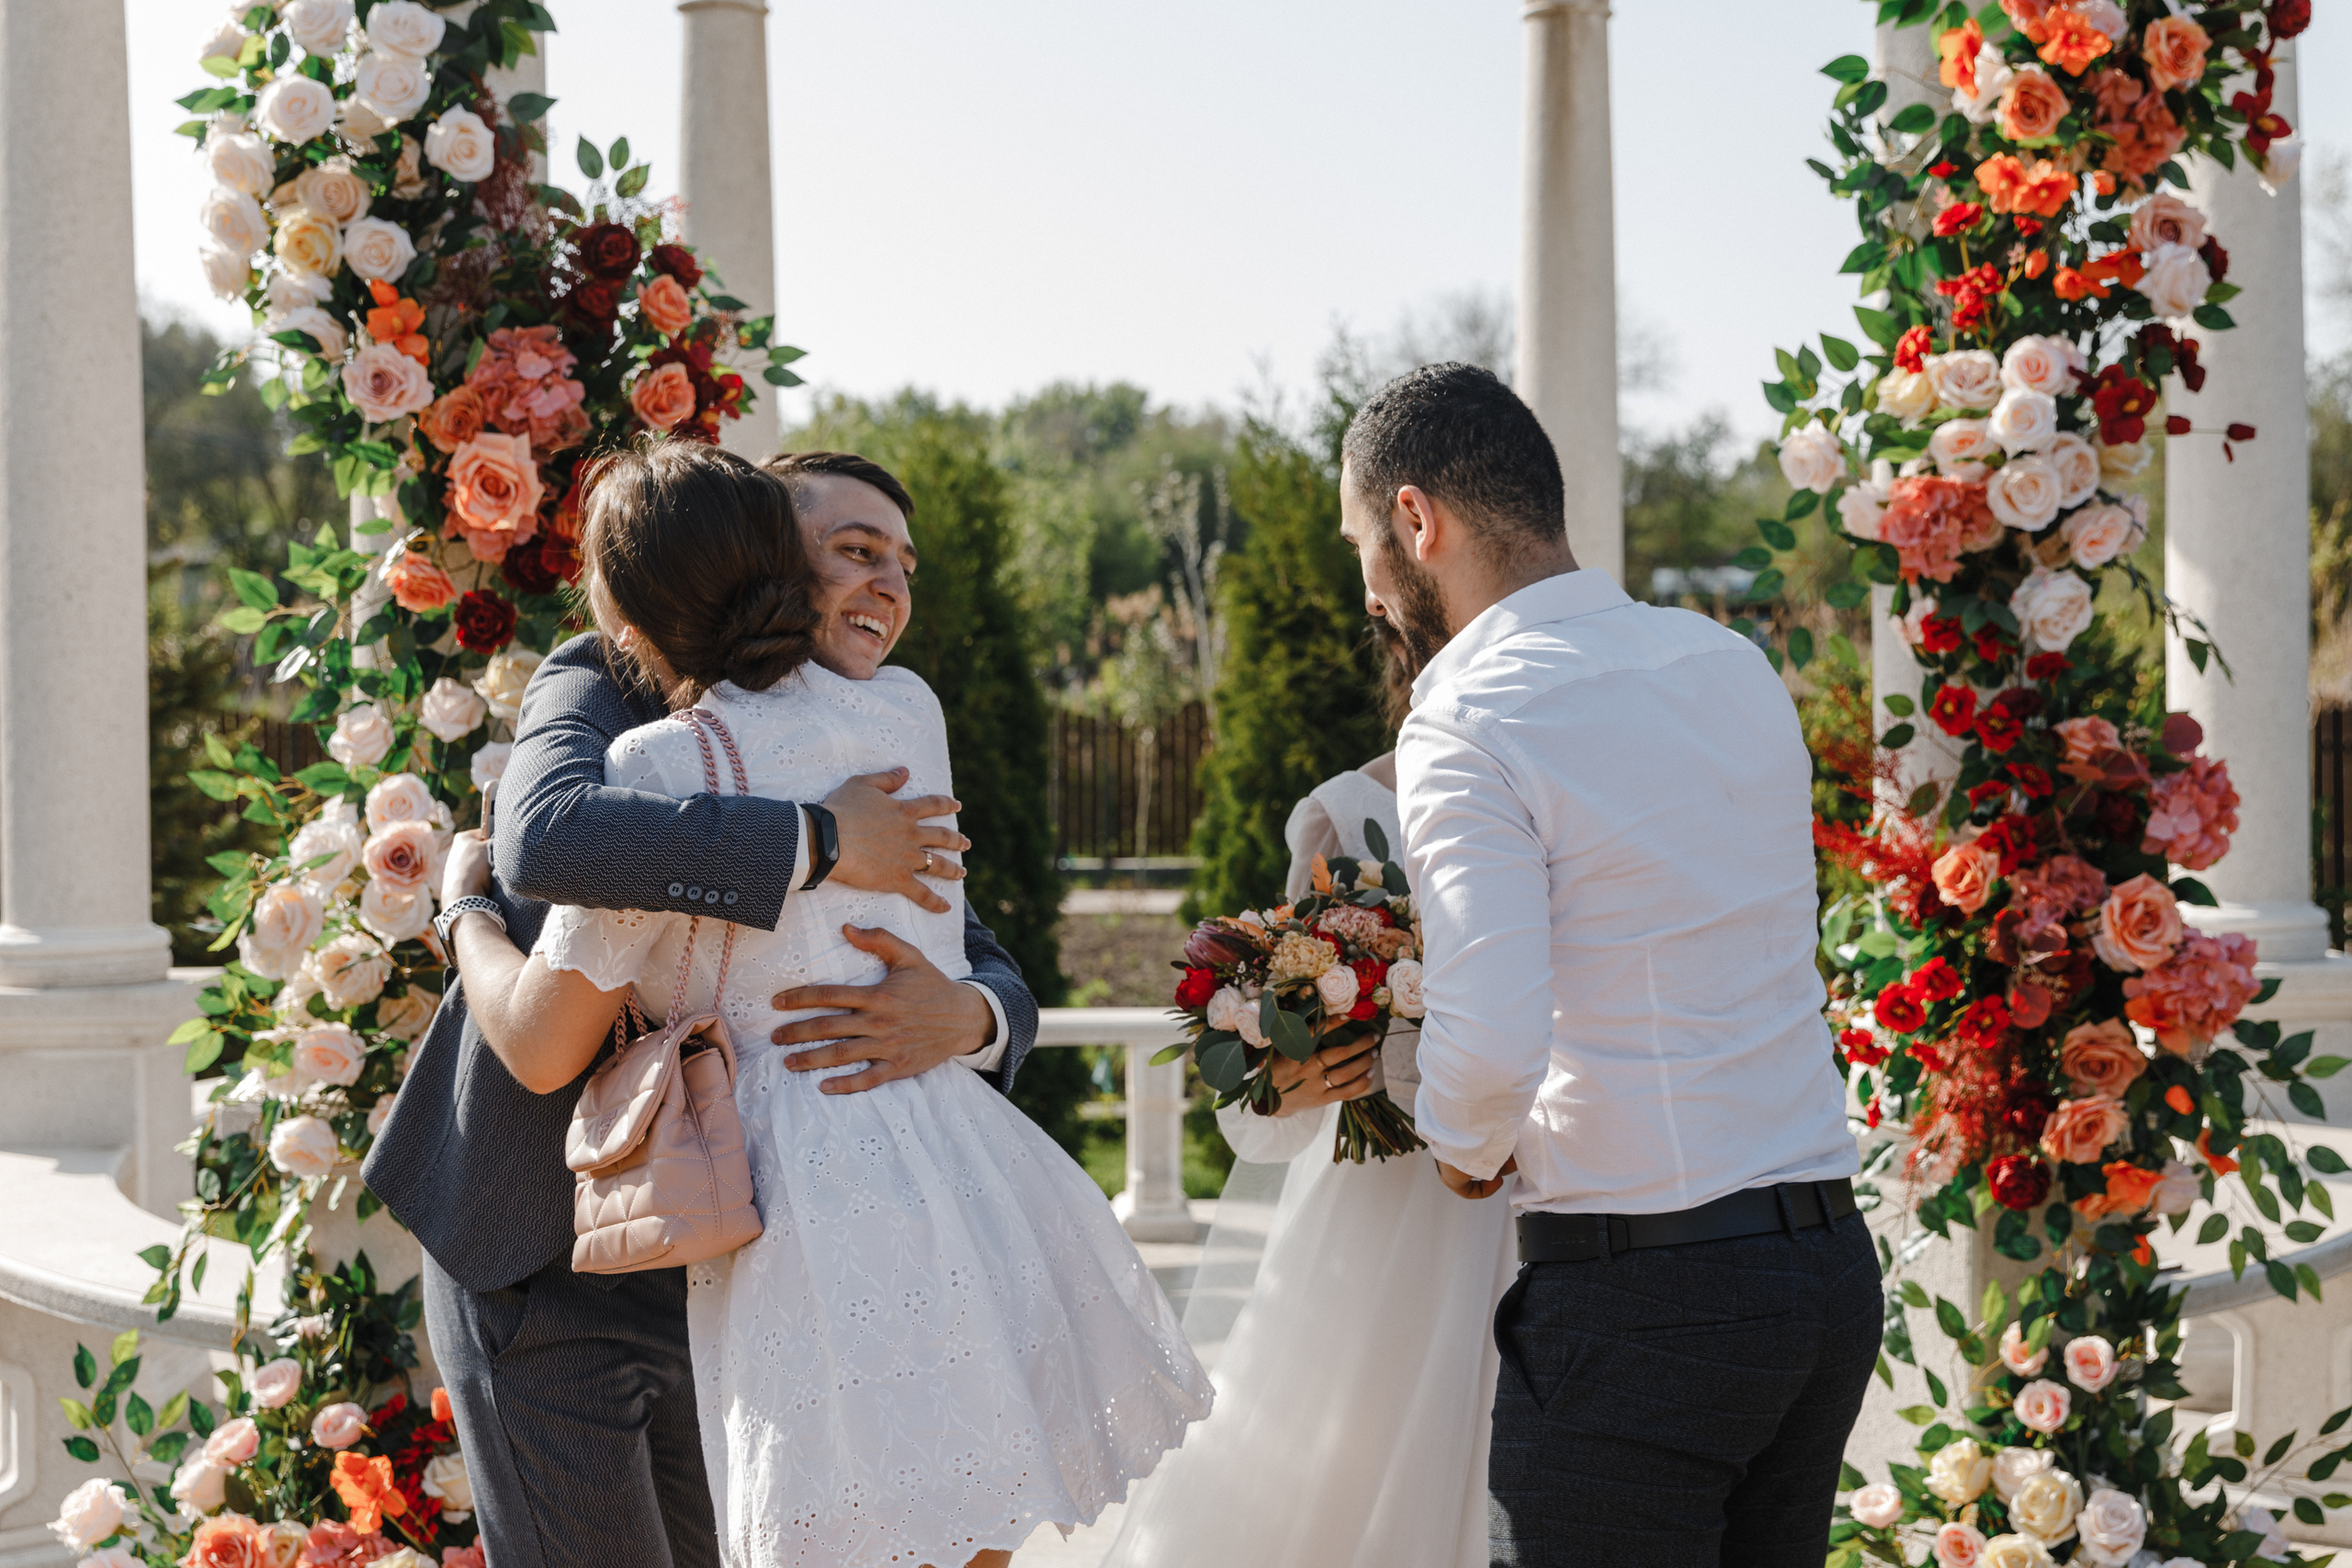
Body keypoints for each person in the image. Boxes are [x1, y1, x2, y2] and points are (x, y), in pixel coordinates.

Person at [439, 441, 1214, 1568]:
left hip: (798, 1217)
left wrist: (458, 912)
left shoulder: (670, 759)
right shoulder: (896, 713)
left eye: (902, 562)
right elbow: (551, 832)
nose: (890, 586)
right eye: (854, 552)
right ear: (769, 559)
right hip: (951, 1191)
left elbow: (540, 1041)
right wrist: (820, 838)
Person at [1340, 363, 1879, 1568]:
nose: (1371, 589)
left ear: (1416, 521)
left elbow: (1486, 1045)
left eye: (1362, 546)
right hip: (1827, 1269)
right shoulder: (1727, 662)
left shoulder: (1466, 711)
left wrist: (1462, 1150)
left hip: (1647, 1305)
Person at [1106, 627, 1516, 1568]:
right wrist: (1292, 1079)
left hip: (1543, 1181)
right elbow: (1279, 1036)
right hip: (1394, 1217)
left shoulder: (1578, 795)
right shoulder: (1349, 812)